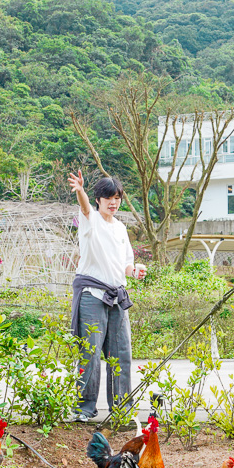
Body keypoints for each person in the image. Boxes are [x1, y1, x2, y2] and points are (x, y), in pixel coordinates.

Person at [68, 169, 146, 422]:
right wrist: (80, 191)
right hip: (92, 295)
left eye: (117, 198)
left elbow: (125, 264)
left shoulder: (121, 229)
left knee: (121, 353)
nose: (113, 203)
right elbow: (85, 208)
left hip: (117, 297)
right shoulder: (91, 221)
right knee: (89, 353)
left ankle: (121, 409)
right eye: (108, 198)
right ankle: (84, 408)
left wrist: (134, 271)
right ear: (98, 199)